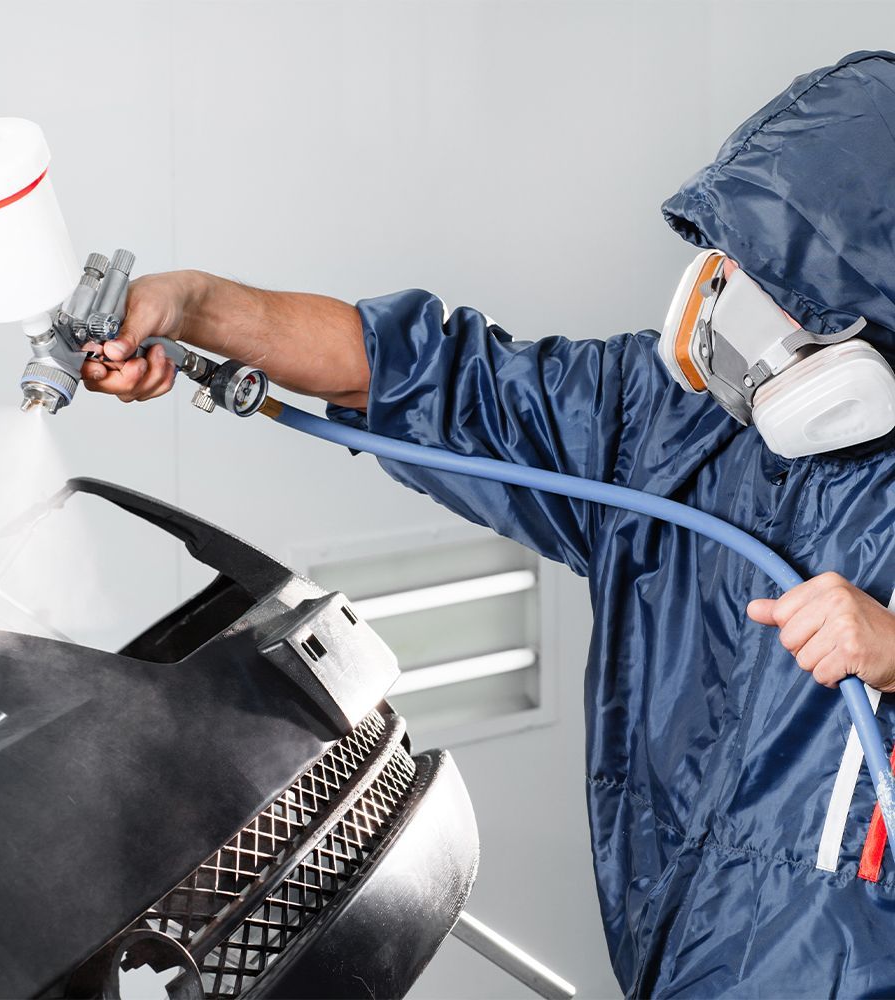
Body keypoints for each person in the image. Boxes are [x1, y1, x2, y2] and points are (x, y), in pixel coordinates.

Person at [85, 52, 895, 997]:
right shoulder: (672, 427)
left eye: (783, 288)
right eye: (740, 267)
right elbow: (428, 378)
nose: (733, 313)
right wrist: (199, 310)